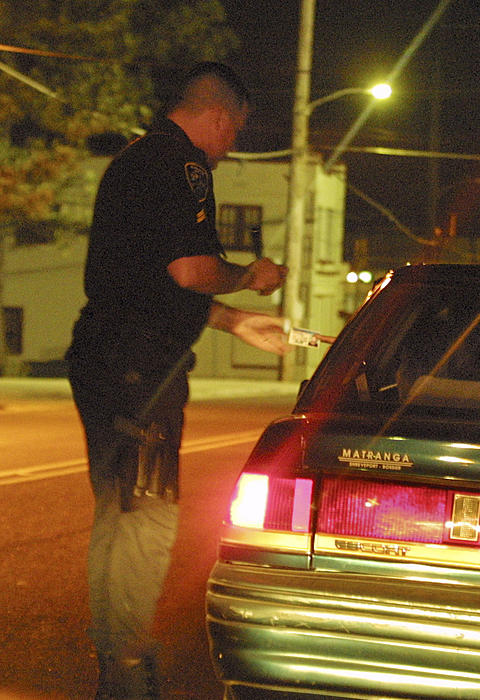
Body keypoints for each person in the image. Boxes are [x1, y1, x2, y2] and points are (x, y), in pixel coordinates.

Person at [65, 62, 288, 699]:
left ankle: (119, 664)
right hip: (141, 368)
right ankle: (128, 673)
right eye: (236, 129)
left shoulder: (137, 162)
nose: (233, 143)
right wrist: (249, 276)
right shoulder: (181, 167)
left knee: (119, 513)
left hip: (107, 356)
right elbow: (190, 272)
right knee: (147, 518)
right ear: (219, 115)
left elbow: (151, 284)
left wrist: (235, 322)